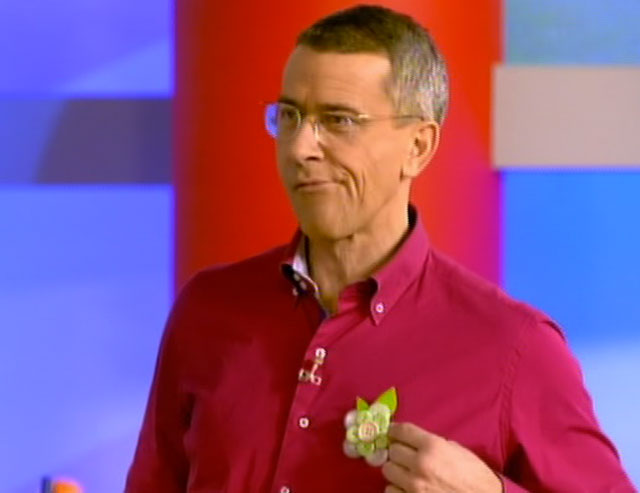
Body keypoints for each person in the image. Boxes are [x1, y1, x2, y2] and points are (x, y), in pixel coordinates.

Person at [126, 5, 635, 492]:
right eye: (290, 116)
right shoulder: (207, 310)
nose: (300, 148)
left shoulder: (515, 348)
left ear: (418, 146)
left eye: (339, 120)